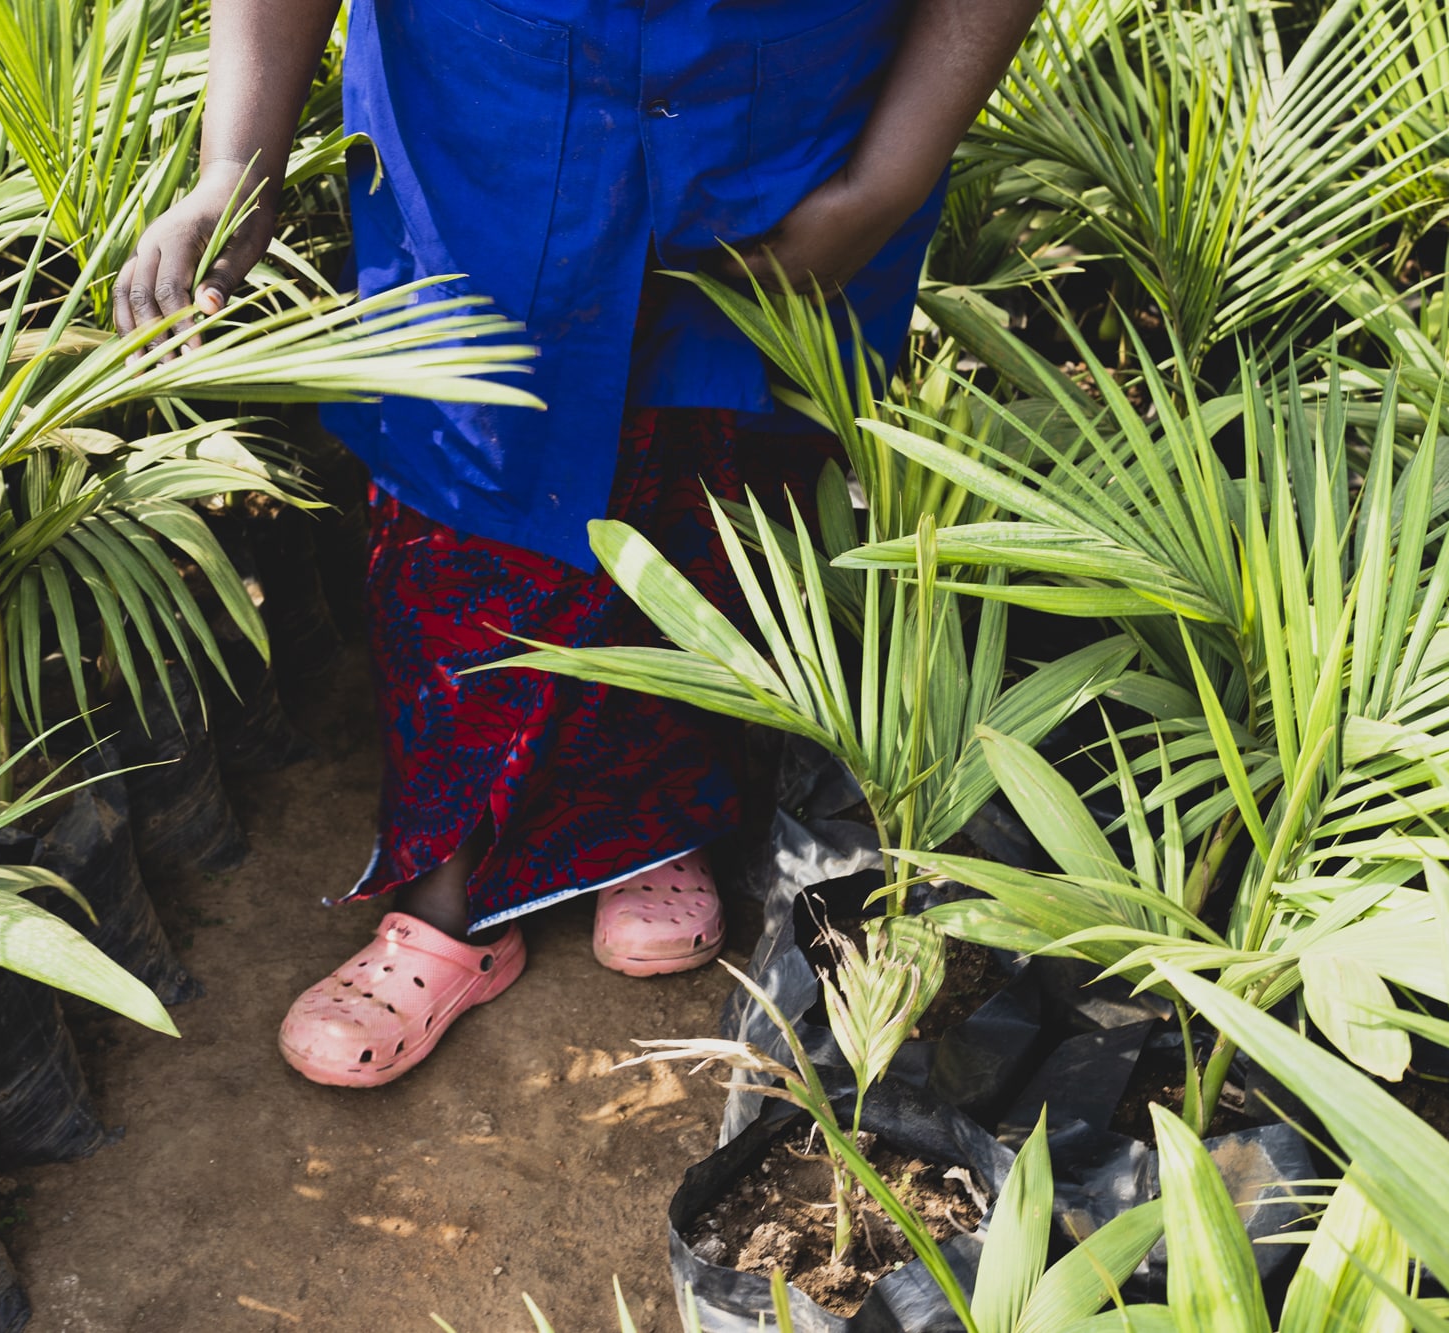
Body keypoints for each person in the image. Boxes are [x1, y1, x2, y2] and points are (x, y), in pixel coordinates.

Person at [114, 0, 1040, 1087]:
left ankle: (655, 824)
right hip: (489, 121)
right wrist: (234, 167)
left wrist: (883, 183)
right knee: (474, 493)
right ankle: (448, 888)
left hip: (781, 125)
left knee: (711, 477)